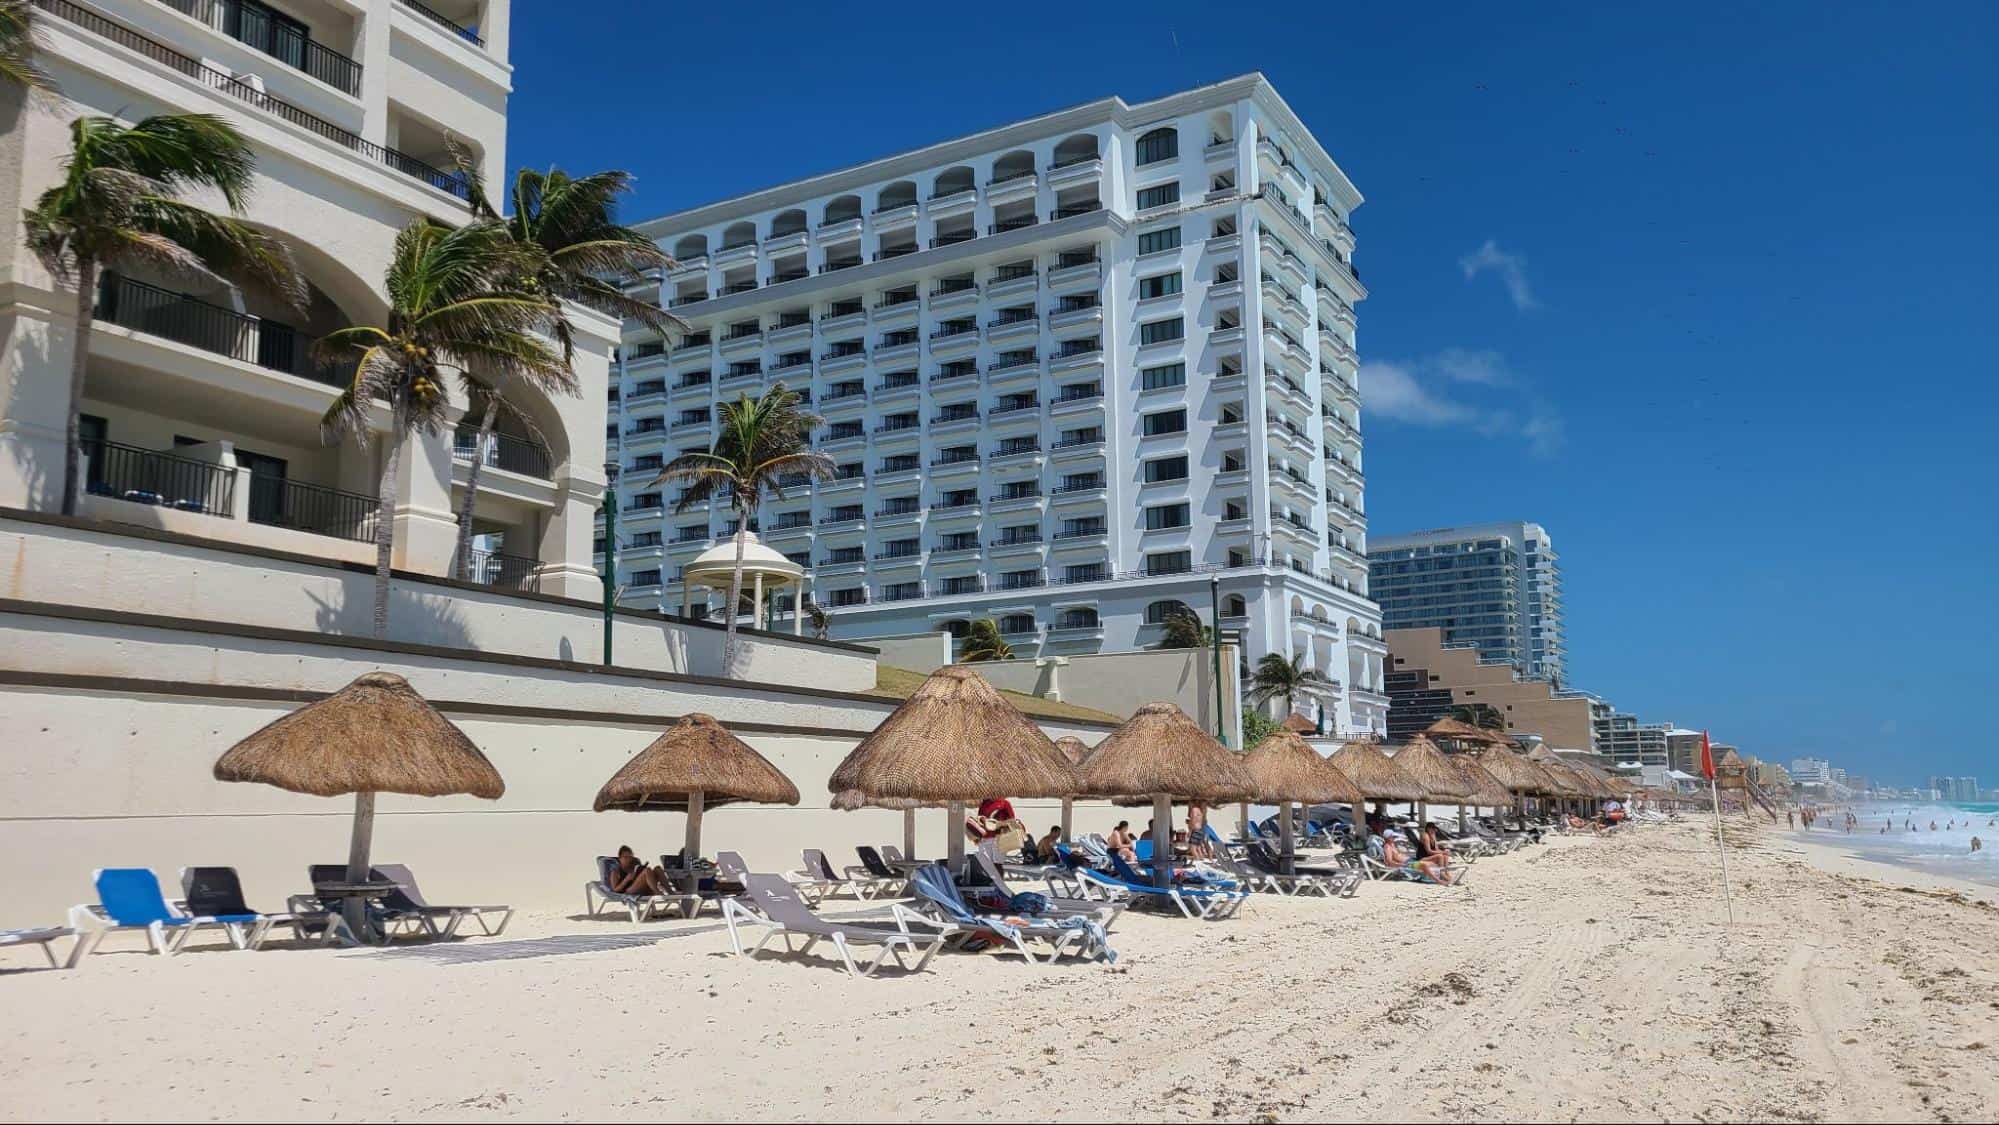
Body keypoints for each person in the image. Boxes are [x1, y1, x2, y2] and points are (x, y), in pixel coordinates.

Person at [1384, 830, 1453, 885]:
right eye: (1392, 837)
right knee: (1424, 865)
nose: (1394, 838)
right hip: (1407, 864)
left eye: (1394, 836)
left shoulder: (1392, 844)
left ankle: (1445, 874)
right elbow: (1389, 862)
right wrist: (1402, 865)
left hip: (1411, 860)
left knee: (1440, 857)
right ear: (1388, 838)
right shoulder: (1387, 847)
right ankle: (1439, 881)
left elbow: (1399, 855)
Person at [606, 845, 671, 897]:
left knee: (658, 868)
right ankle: (657, 893)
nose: (628, 859)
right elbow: (615, 890)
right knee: (647, 870)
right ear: (620, 858)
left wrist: (640, 869)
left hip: (641, 887)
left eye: (630, 857)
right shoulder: (616, 871)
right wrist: (626, 880)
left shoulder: (633, 864)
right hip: (628, 890)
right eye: (625, 857)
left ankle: (670, 891)